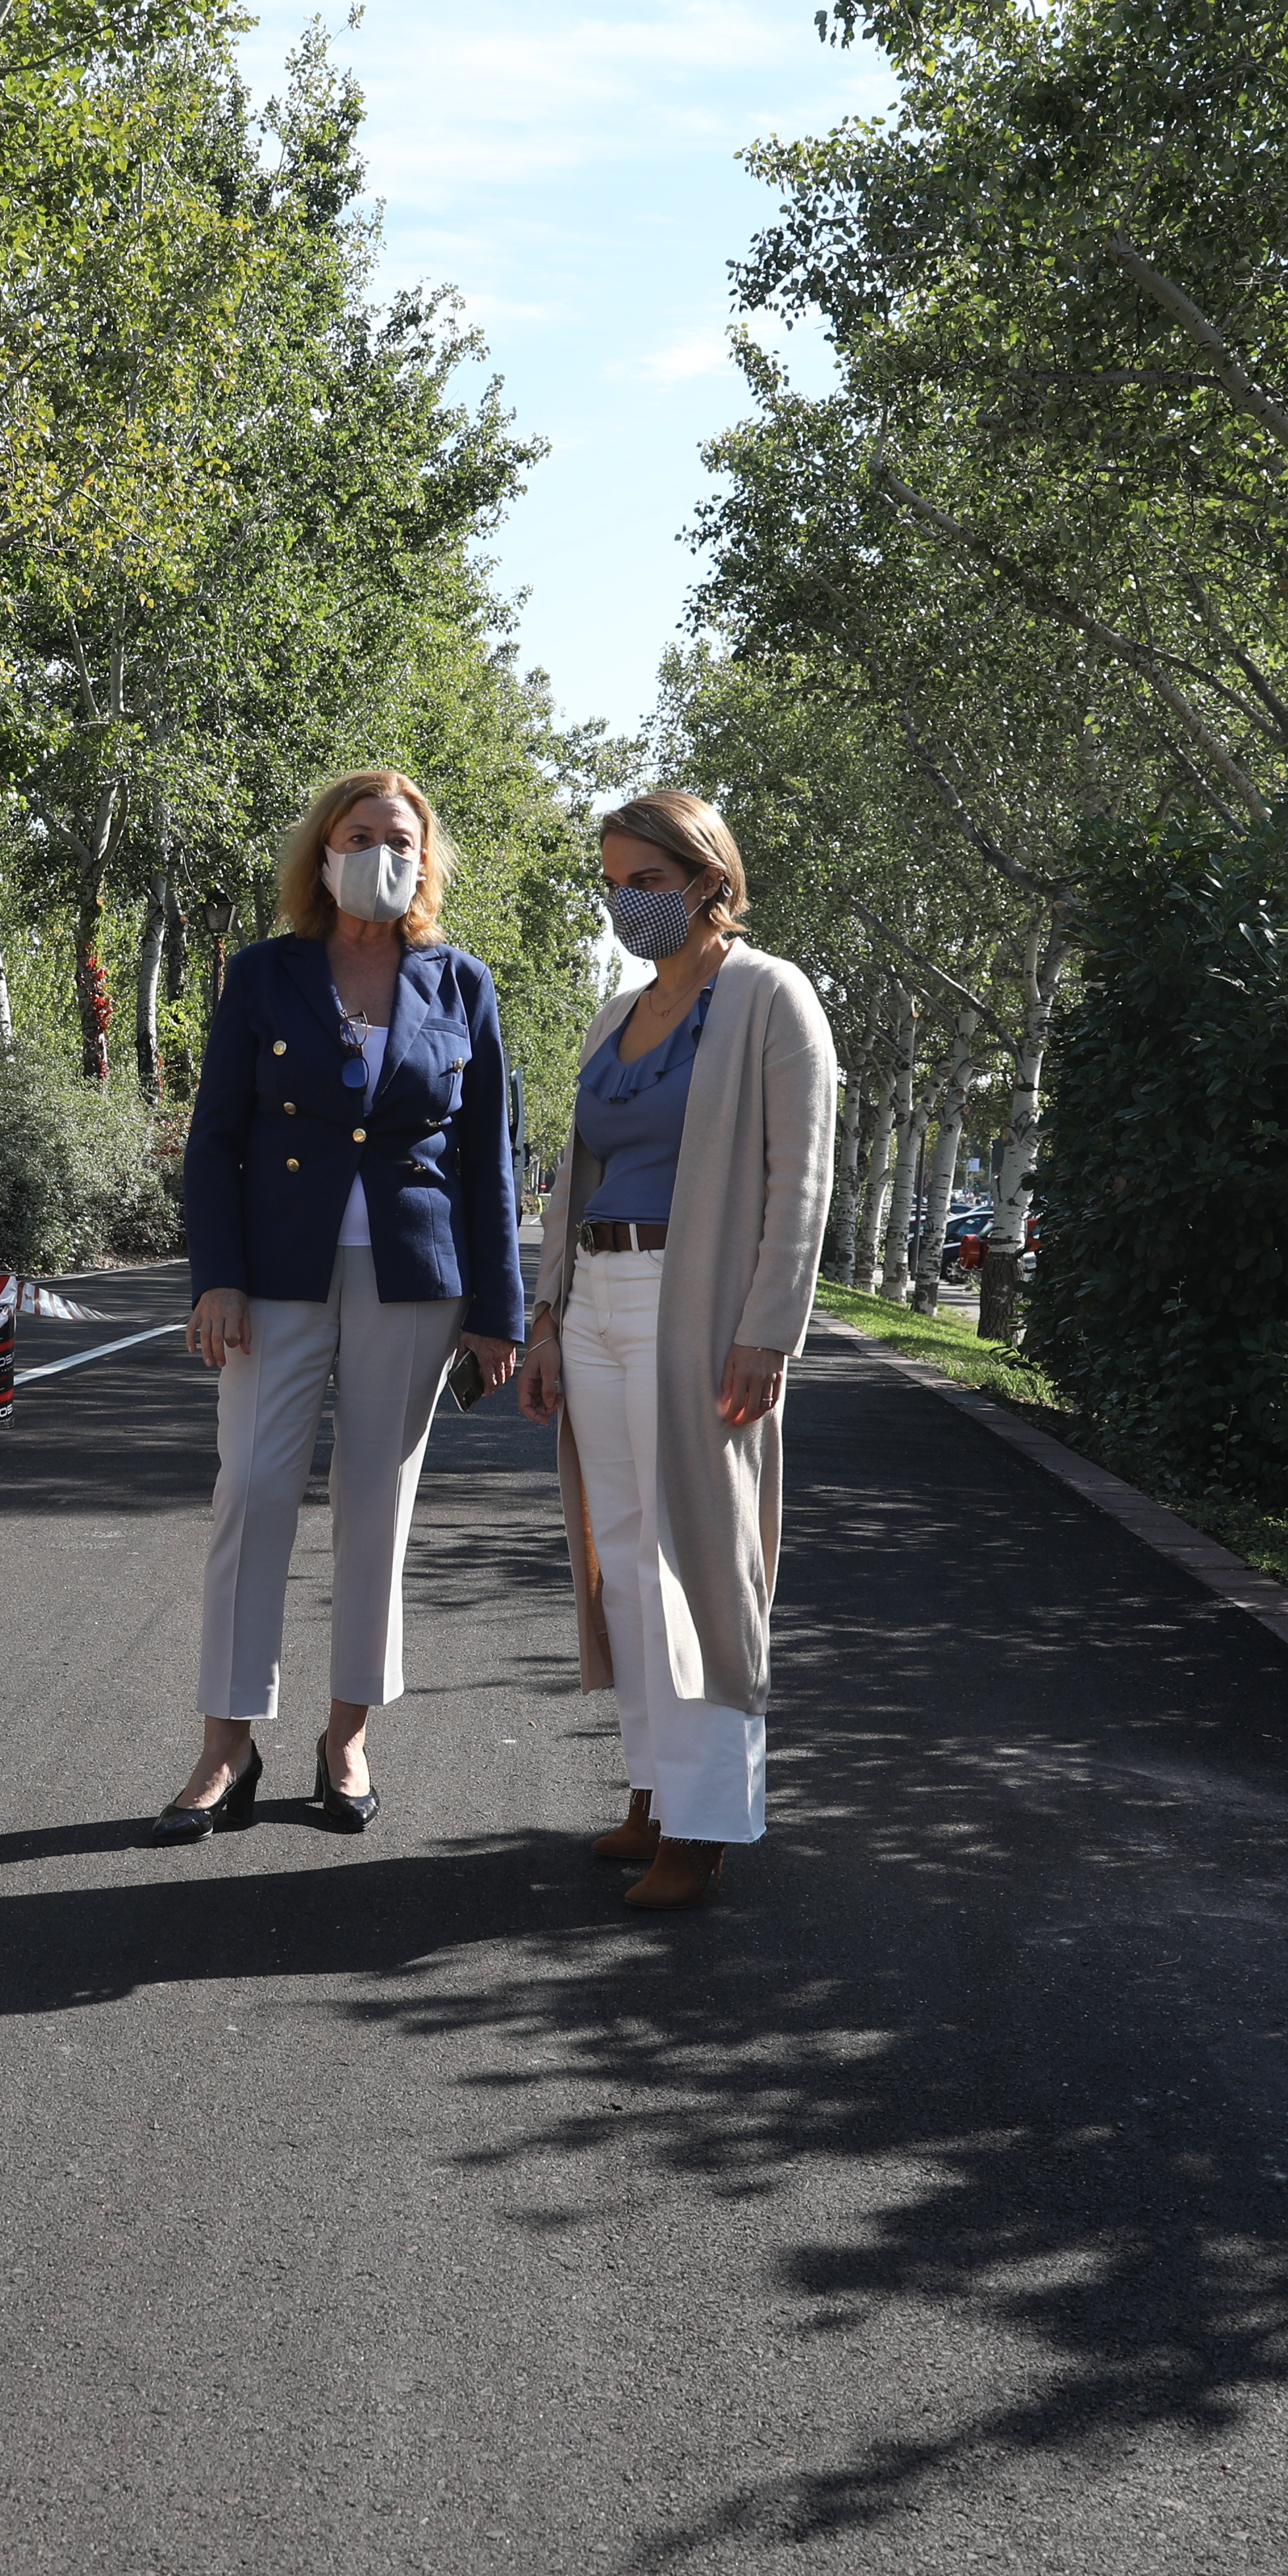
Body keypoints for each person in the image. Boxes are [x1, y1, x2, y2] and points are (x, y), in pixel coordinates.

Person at [157, 769, 525, 1843]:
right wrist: (214, 1275)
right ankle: (226, 1745)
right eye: (358, 834)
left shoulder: (462, 984)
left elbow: (491, 1159)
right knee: (256, 1490)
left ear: (427, 855)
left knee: (377, 1506)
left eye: (399, 837)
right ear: (321, 853)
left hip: (418, 1279)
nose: (381, 851)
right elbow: (215, 1136)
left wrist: (498, 1312)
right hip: (272, 1274)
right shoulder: (264, 977)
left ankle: (346, 1739)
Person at [519, 790, 838, 1910]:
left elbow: (800, 1179)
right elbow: (575, 1179)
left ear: (708, 879)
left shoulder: (769, 996)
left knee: (697, 1565)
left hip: (696, 1306)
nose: (624, 903)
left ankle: (705, 1825)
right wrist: (546, 1318)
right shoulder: (617, 1016)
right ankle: (654, 1788)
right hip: (600, 1293)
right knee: (622, 1558)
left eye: (644, 881)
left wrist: (767, 1333)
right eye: (611, 883)